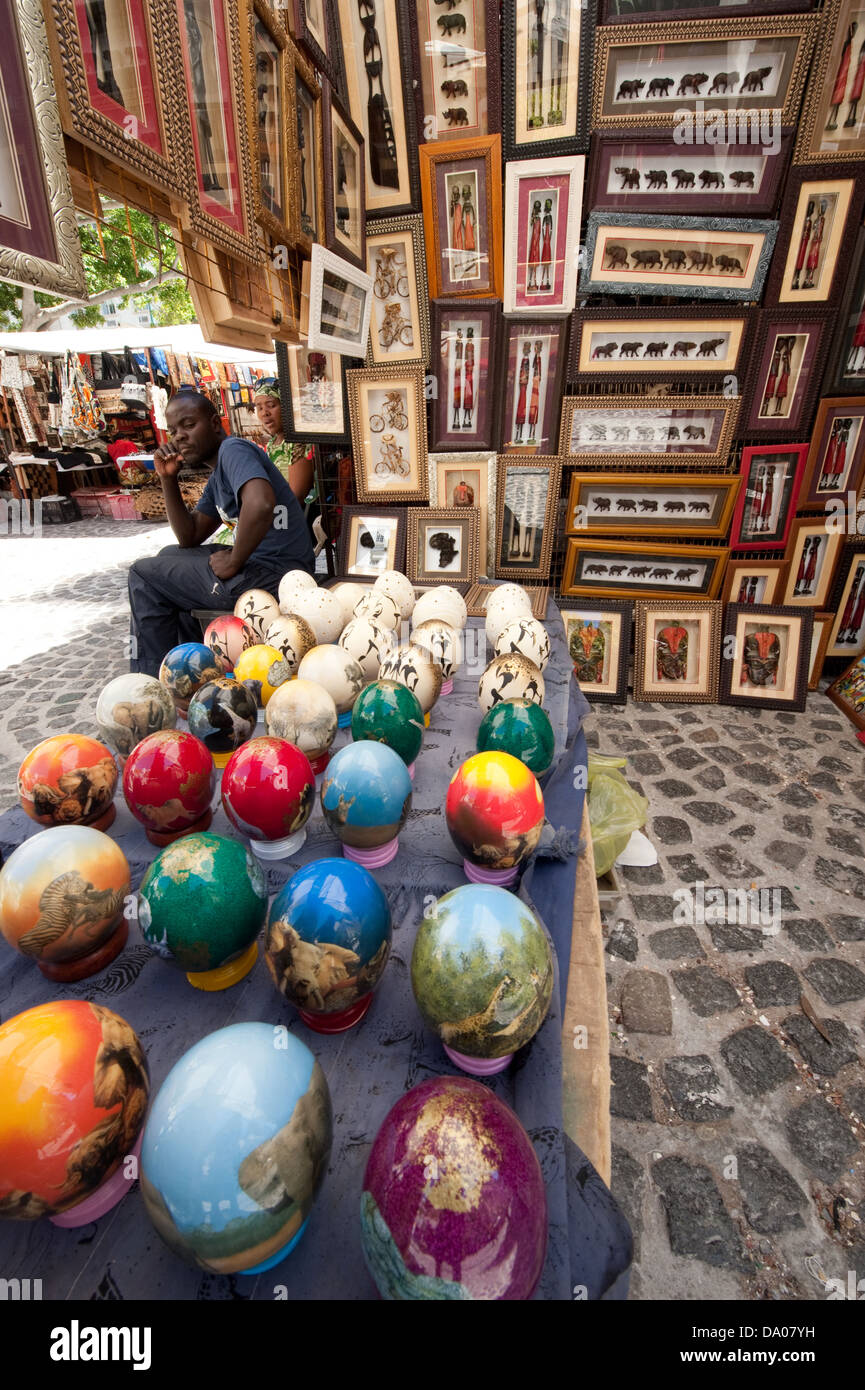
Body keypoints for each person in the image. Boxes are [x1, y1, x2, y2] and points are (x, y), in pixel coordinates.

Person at [127, 390, 315, 677]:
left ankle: (151, 682)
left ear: (215, 423)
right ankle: (193, 666)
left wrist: (235, 560)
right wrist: (167, 479)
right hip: (265, 568)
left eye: (189, 425)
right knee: (169, 557)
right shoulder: (218, 476)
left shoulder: (233, 450)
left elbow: (261, 502)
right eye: (173, 431)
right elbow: (189, 536)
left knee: (143, 574)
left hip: (277, 575)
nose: (179, 437)